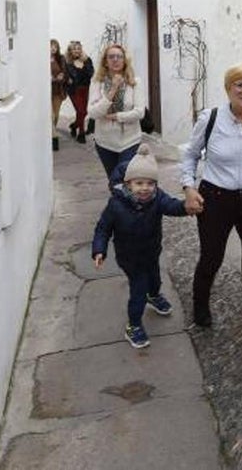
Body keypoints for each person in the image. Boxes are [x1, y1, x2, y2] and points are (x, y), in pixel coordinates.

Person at [180, 63, 242, 374]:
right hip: (215, 198)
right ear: (228, 88)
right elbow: (190, 154)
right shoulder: (210, 119)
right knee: (211, 257)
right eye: (240, 85)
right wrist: (188, 188)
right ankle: (200, 304)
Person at [91, 146, 196, 349]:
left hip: (151, 252)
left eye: (150, 183)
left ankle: (154, 295)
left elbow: (172, 206)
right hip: (129, 258)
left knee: (155, 279)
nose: (145, 188)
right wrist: (99, 250)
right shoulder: (116, 205)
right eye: (139, 183)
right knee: (138, 290)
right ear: (128, 184)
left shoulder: (157, 198)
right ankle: (134, 326)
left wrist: (186, 207)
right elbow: (103, 229)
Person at [88, 44, 145, 184]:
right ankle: (118, 198)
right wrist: (113, 89)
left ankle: (126, 198)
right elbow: (93, 113)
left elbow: (139, 112)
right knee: (114, 181)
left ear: (124, 60)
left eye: (119, 56)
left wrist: (117, 117)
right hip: (105, 142)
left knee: (125, 178)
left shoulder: (135, 82)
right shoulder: (97, 83)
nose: (115, 60)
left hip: (130, 141)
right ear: (105, 61)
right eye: (111, 57)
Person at [65, 40, 94, 144]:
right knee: (81, 111)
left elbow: (91, 73)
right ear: (70, 51)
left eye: (78, 48)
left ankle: (74, 126)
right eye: (74, 49)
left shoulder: (87, 60)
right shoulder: (67, 62)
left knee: (83, 112)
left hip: (85, 89)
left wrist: (86, 62)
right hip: (74, 90)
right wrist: (67, 79)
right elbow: (66, 76)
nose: (77, 51)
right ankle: (81, 134)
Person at [49, 39, 69, 152]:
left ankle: (52, 131)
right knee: (50, 115)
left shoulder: (61, 58)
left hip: (58, 90)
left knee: (56, 115)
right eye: (51, 46)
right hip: (47, 91)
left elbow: (65, 72)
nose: (53, 48)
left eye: (55, 46)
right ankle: (53, 136)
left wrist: (62, 76)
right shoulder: (43, 58)